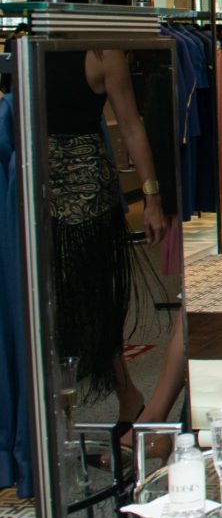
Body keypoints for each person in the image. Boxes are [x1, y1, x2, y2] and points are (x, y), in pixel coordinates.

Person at [47, 49, 168, 420]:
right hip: (35, 185)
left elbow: (131, 126)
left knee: (96, 298)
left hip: (88, 192)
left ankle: (126, 393)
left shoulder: (103, 54)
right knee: (49, 302)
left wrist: (151, 198)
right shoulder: (28, 46)